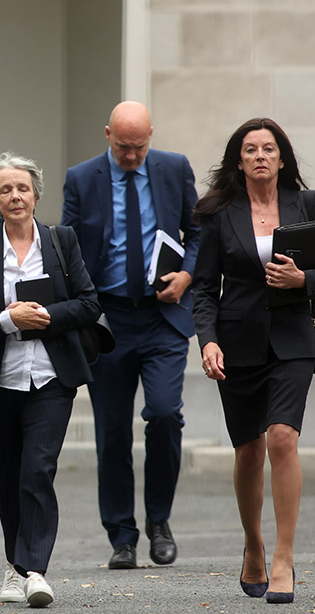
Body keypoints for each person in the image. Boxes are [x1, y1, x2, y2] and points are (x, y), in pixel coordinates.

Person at [192, 118, 315, 603]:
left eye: (269, 148)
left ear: (282, 158)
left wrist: (302, 281)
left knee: (282, 438)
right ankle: (254, 546)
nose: (260, 156)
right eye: (250, 149)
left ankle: (283, 557)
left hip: (293, 339)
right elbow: (203, 288)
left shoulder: (308, 204)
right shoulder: (220, 212)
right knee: (249, 449)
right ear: (239, 160)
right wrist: (208, 341)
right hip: (236, 342)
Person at [0, 152, 101, 607]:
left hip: (50, 379)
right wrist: (7, 318)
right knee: (6, 475)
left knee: (37, 470)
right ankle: (16, 565)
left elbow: (88, 303)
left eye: (23, 188)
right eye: (5, 190)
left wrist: (44, 318)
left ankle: (33, 570)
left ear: (36, 195)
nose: (15, 196)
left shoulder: (62, 241)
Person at [61, 101, 200, 570]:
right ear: (107, 136)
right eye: (123, 147)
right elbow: (69, 247)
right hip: (109, 322)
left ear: (150, 137)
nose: (132, 156)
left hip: (163, 319)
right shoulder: (82, 179)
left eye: (139, 147)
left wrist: (186, 276)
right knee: (113, 432)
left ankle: (159, 521)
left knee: (164, 415)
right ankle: (122, 536)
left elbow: (199, 233)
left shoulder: (174, 169)